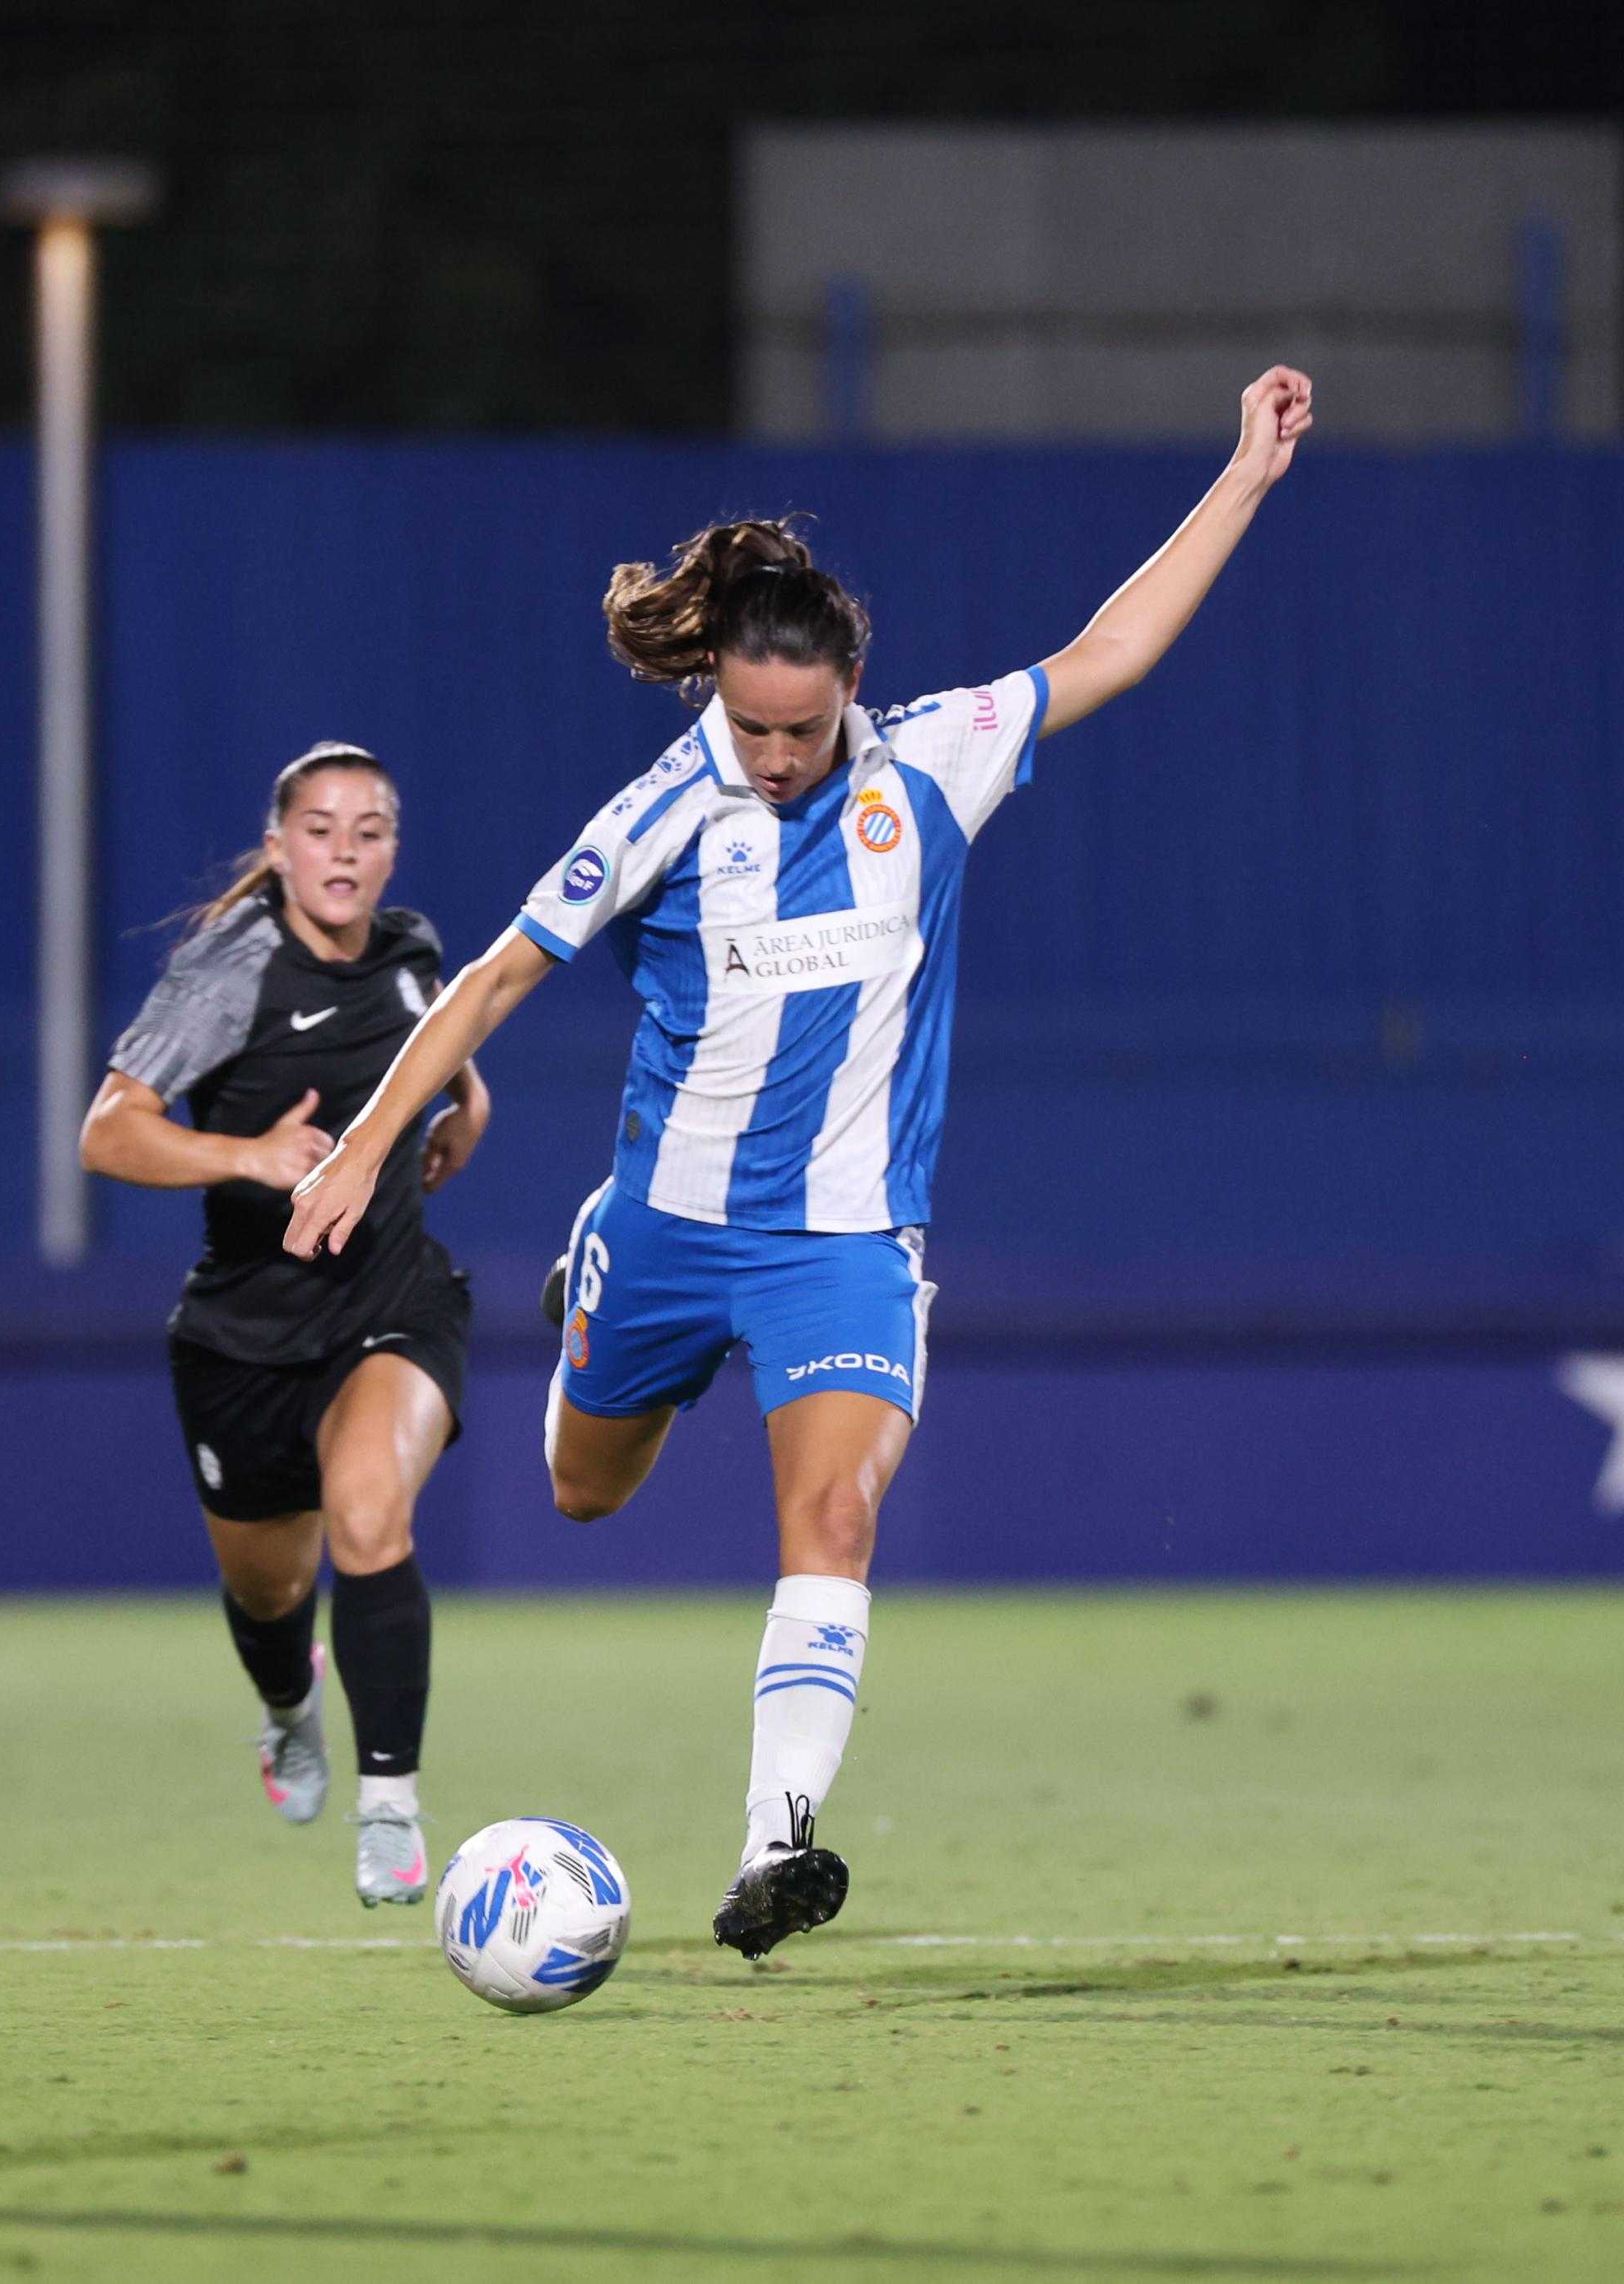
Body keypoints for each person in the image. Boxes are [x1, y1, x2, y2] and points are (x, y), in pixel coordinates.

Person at [285, 366, 1315, 1957]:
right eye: (745, 725)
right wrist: (365, 1141)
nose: (770, 755)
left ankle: (777, 1846)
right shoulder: (665, 807)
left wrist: (1244, 475)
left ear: (849, 687)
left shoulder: (932, 765)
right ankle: (588, 1280)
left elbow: (1111, 647)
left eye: (796, 727)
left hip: (844, 1240)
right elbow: (493, 976)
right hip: (668, 1227)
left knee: (832, 1516)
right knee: (580, 1492)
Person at [81, 743, 486, 1906]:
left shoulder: (414, 952)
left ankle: (392, 1802)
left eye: (368, 829)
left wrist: (467, 1106)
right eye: (320, 829)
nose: (344, 851)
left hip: (393, 1301)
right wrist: (250, 1155)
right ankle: (287, 1707)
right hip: (247, 1333)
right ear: (279, 848)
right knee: (269, 1593)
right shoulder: (232, 971)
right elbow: (108, 1132)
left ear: (392, 848)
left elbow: (445, 1050)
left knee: (367, 1513)